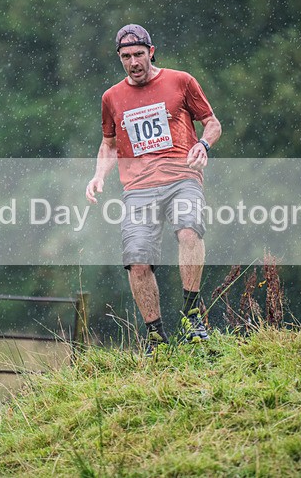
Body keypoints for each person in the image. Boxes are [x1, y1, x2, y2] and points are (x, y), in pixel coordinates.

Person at [85, 24, 222, 355]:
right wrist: (98, 175)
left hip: (182, 178)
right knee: (137, 261)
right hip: (139, 189)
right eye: (126, 56)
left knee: (189, 231)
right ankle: (156, 338)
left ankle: (192, 315)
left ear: (152, 51)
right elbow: (109, 145)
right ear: (119, 58)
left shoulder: (181, 81)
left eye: (139, 54)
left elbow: (213, 123)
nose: (134, 62)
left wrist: (203, 144)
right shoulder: (111, 97)